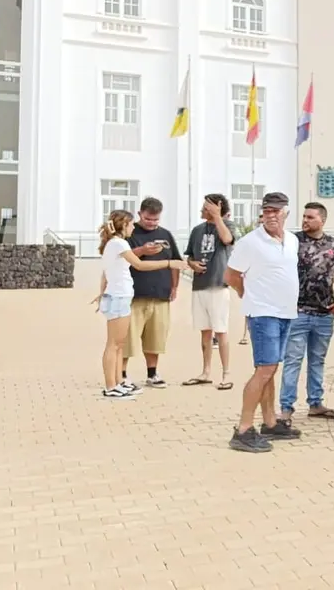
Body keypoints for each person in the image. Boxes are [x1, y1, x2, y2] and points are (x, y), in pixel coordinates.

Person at [224, 192, 303, 452]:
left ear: (286, 213)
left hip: (285, 313)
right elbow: (231, 275)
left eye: (276, 211)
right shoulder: (250, 242)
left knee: (270, 369)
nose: (271, 215)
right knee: (264, 370)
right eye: (267, 210)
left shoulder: (291, 240)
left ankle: (270, 422)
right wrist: (248, 296)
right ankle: (244, 429)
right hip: (263, 313)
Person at [93, 210, 187, 399]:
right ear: (123, 225)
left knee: (119, 344)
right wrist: (169, 263)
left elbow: (107, 273)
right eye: (130, 224)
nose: (133, 227)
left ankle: (119, 381)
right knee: (113, 344)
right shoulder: (118, 243)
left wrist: (101, 293)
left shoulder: (115, 244)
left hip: (121, 297)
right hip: (118, 297)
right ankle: (111, 386)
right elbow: (140, 265)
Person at [279, 202, 334, 422]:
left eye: (310, 217)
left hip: (324, 313)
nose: (305, 220)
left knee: (317, 360)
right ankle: (286, 407)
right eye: (304, 216)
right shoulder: (292, 241)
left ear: (322, 220)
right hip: (297, 311)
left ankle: (316, 403)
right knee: (293, 360)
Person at [123, 196, 181, 389]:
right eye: (148, 219)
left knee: (156, 337)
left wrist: (174, 287)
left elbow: (175, 262)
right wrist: (142, 250)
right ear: (140, 214)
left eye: (156, 219)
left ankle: (152, 373)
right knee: (128, 337)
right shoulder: (129, 233)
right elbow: (123, 257)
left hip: (160, 294)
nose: (152, 223)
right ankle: (122, 374)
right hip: (134, 295)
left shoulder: (166, 234)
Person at [182, 194, 237, 390]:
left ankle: (226, 372)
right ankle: (205, 371)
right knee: (205, 331)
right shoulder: (197, 230)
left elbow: (227, 239)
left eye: (206, 207)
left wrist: (217, 217)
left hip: (218, 285)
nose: (202, 210)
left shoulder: (227, 225)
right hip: (199, 285)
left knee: (221, 330)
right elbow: (188, 256)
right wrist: (192, 264)